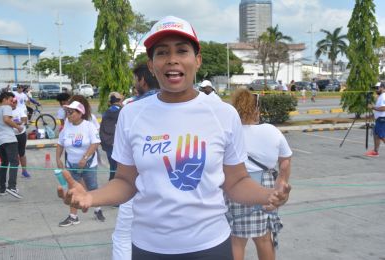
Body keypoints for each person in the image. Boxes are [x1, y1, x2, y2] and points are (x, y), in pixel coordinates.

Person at [57, 15, 290, 259]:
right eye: (162, 53)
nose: (172, 60)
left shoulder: (223, 113)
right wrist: (90, 197)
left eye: (182, 51)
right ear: (151, 64)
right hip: (149, 247)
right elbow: (125, 181)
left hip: (211, 244)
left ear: (197, 60)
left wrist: (268, 195)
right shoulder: (132, 114)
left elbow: (236, 182)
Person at [226, 88, 292, 260]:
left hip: (235, 185)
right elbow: (285, 163)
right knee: (264, 239)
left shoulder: (229, 132)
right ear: (256, 109)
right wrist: (280, 186)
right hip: (265, 187)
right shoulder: (271, 131)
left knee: (236, 240)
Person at [112, 64, 160, 260]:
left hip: (137, 188)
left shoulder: (132, 109)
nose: (134, 84)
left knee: (122, 236)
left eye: (135, 80)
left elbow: (123, 170)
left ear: (143, 80)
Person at [56, 100, 104, 226]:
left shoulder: (89, 126)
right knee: (73, 189)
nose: (68, 115)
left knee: (92, 187)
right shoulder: (67, 127)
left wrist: (85, 157)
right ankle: (73, 217)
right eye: (67, 112)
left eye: (71, 112)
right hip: (71, 165)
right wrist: (57, 159)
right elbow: (60, 144)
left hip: (88, 164)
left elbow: (95, 143)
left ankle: (98, 209)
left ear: (80, 113)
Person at [0, 92, 23, 198]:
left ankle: (2, 189)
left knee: (4, 162)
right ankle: (12, 187)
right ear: (4, 99)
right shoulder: (6, 107)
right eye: (11, 100)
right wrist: (18, 127)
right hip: (9, 139)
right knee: (14, 161)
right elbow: (6, 119)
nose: (12, 103)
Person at [100, 92, 124, 181]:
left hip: (109, 144)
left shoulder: (106, 113)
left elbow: (102, 130)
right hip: (119, 145)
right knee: (119, 169)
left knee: (113, 169)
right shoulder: (123, 111)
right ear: (120, 101)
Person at [11, 97, 30, 178]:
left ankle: (24, 171)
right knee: (13, 154)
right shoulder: (6, 111)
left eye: (15, 102)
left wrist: (17, 122)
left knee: (22, 153)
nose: (13, 103)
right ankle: (13, 172)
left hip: (21, 134)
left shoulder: (20, 109)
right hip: (11, 135)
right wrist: (16, 122)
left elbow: (24, 119)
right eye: (11, 102)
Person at [365, 82, 385, 157]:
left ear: (382, 88)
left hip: (382, 119)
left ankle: (375, 151)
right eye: (375, 88)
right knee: (376, 135)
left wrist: (372, 107)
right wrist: (373, 115)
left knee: (381, 136)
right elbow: (378, 109)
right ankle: (375, 151)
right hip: (379, 118)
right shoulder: (380, 96)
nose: (376, 90)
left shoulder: (383, 96)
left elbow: (384, 108)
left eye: (377, 88)